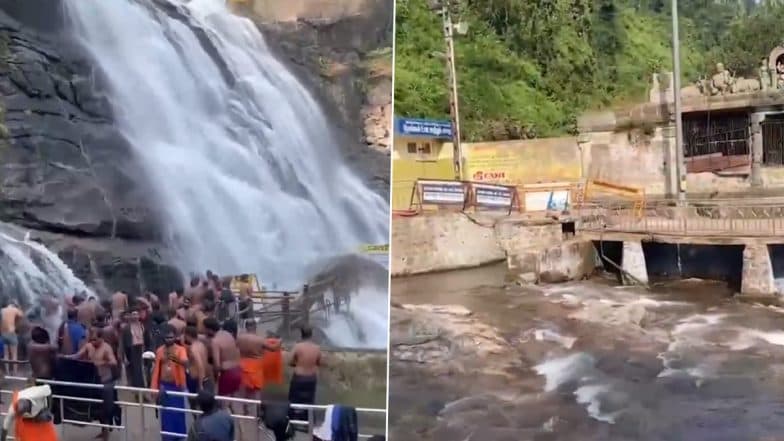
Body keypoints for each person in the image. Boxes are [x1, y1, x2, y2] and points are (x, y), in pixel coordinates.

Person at [151, 325, 189, 441]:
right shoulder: (159, 351)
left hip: (176, 387)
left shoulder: (180, 350)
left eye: (171, 337)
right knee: (166, 415)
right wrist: (154, 388)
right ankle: (168, 437)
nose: (169, 340)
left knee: (178, 414)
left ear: (175, 337)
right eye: (167, 337)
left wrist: (173, 358)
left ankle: (179, 437)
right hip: (164, 386)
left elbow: (186, 363)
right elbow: (156, 370)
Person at [288, 326, 321, 420]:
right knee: (310, 400)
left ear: (301, 334)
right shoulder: (317, 348)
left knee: (293, 399)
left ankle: (291, 420)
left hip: (299, 377)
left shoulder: (297, 346)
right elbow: (319, 362)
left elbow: (289, 361)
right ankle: (310, 421)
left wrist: (297, 364)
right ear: (311, 335)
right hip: (311, 378)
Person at [205, 318, 241, 399]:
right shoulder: (228, 334)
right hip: (237, 371)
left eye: (205, 329)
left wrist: (215, 377)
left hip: (227, 374)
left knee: (223, 403)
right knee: (236, 403)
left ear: (209, 330)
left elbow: (217, 365)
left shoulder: (215, 341)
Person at [237, 320, 265, 410]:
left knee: (244, 390)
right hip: (256, 366)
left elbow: (236, 349)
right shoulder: (260, 339)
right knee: (257, 391)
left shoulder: (240, 338)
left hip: (243, 364)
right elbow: (264, 352)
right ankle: (258, 410)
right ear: (255, 327)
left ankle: (245, 408)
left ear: (246, 327)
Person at [183, 326, 210, 406]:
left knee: (193, 402)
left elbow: (200, 365)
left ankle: (195, 417)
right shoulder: (201, 345)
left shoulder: (193, 348)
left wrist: (200, 384)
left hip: (196, 379)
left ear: (188, 335)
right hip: (204, 376)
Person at [122, 308, 149, 388]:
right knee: (135, 369)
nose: (135, 316)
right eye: (133, 314)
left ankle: (144, 386)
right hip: (132, 349)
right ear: (130, 316)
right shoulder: (126, 328)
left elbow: (147, 339)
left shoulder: (142, 326)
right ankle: (136, 387)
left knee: (142, 368)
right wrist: (125, 356)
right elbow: (124, 342)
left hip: (142, 348)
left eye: (137, 314)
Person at [1, 301, 23, 375]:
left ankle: (7, 372)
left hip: (3, 334)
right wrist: (19, 308)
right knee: (14, 354)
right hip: (11, 333)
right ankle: (15, 372)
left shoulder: (2, 310)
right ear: (13, 305)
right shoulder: (14, 309)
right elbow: (21, 315)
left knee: (6, 354)